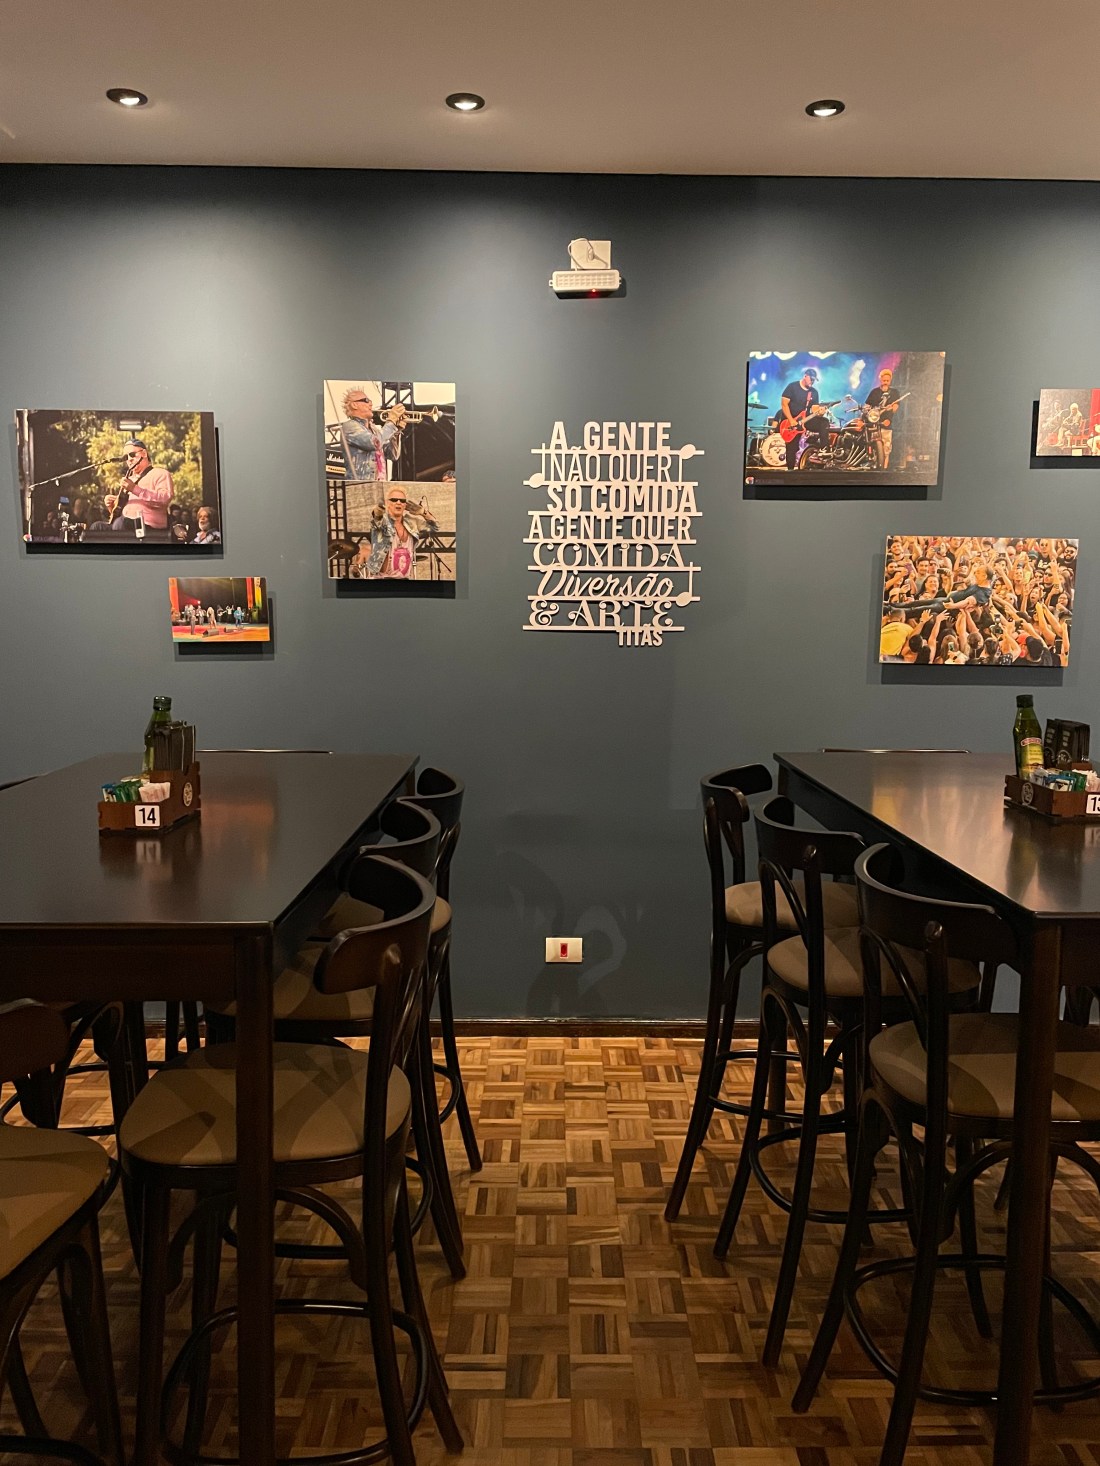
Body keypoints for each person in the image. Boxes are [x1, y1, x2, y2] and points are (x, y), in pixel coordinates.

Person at [350, 488, 437, 580]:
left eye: (402, 501)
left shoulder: (412, 523)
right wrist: (378, 510)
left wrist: (424, 513)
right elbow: (376, 517)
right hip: (382, 579)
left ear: (405, 505)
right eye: (394, 500)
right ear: (387, 504)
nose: (398, 502)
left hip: (404, 579)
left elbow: (435, 527)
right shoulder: (382, 522)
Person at [101, 439, 173, 532]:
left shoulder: (160, 473)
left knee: (120, 523)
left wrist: (134, 489)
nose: (129, 459)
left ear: (144, 453)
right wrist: (113, 505)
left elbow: (165, 498)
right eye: (126, 457)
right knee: (97, 527)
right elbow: (122, 512)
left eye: (132, 454)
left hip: (148, 527)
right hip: (124, 524)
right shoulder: (129, 479)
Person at [339, 388, 402, 482]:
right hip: (361, 486)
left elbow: (393, 455)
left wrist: (396, 432)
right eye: (366, 400)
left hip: (379, 485)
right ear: (354, 405)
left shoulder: (374, 430)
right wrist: (391, 422)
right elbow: (375, 443)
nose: (371, 404)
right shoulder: (350, 426)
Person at [778, 367, 819, 470]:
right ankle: (790, 470)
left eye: (814, 380)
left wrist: (820, 412)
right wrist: (791, 420)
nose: (812, 382)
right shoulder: (792, 387)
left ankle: (823, 449)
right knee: (792, 447)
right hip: (789, 422)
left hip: (804, 421)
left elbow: (815, 409)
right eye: (811, 379)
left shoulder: (814, 392)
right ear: (805, 376)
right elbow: (784, 404)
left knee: (824, 423)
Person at [863, 367, 903, 468]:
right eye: (884, 380)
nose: (885, 382)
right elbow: (867, 406)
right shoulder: (874, 392)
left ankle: (884, 469)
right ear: (880, 380)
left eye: (887, 381)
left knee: (886, 448)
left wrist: (891, 408)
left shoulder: (894, 393)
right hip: (873, 424)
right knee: (871, 444)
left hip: (886, 423)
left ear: (890, 380)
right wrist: (867, 410)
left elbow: (896, 408)